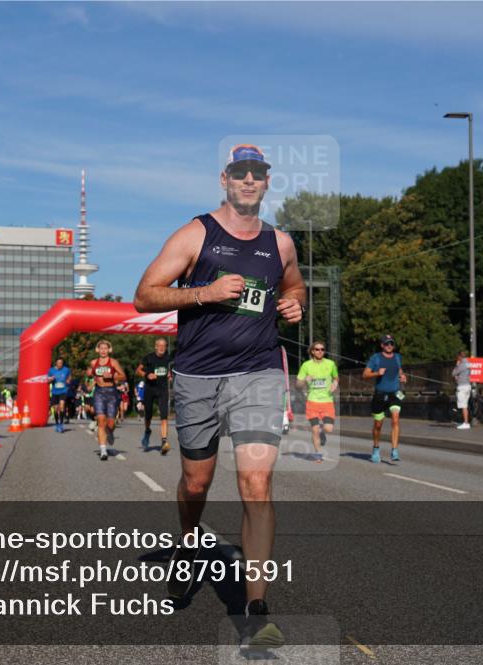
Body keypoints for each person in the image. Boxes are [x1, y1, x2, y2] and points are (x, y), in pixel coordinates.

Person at [133, 143, 305, 650]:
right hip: (197, 377)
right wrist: (203, 293)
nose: (249, 180)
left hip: (258, 373)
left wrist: (293, 306)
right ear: (224, 180)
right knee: (196, 481)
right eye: (240, 173)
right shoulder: (196, 233)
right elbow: (144, 295)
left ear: (267, 182)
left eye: (258, 173)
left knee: (256, 481)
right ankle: (188, 543)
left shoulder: (281, 243)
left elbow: (293, 288)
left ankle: (256, 607)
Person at [362, 334, 407, 463]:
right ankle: (376, 448)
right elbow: (364, 374)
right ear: (382, 345)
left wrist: (402, 376)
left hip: (395, 393)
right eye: (386, 344)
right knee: (378, 424)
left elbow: (399, 370)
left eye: (391, 343)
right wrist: (377, 373)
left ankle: (394, 450)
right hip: (380, 395)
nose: (389, 346)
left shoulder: (398, 357)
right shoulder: (376, 358)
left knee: (395, 419)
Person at [295, 341, 338, 463]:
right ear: (312, 351)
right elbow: (298, 385)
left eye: (322, 349)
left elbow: (335, 377)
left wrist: (335, 383)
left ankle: (322, 433)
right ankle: (318, 453)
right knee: (314, 429)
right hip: (312, 402)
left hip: (327, 401)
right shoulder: (306, 365)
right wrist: (304, 380)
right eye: (317, 349)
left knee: (328, 428)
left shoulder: (330, 364)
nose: (320, 351)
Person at [86, 340, 125, 460]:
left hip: (112, 393)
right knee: (101, 420)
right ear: (97, 350)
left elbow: (123, 376)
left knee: (110, 423)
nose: (103, 350)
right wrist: (89, 379)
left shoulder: (113, 362)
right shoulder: (93, 363)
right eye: (101, 348)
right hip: (99, 393)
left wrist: (113, 376)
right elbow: (89, 375)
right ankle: (103, 450)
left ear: (109, 350)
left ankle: (110, 432)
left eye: (105, 348)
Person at [136, 337, 173, 454]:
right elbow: (138, 371)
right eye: (159, 345)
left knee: (164, 416)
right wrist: (147, 375)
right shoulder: (149, 357)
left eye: (164, 346)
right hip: (150, 389)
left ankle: (164, 441)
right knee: (148, 415)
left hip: (162, 390)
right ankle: (147, 431)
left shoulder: (169, 358)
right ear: (155, 346)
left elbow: (171, 370)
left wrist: (170, 375)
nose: (162, 348)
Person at [47, 357, 71, 433]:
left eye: (61, 363)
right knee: (56, 409)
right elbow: (47, 381)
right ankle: (57, 423)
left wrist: (68, 380)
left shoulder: (66, 369)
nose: (60, 364)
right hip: (54, 392)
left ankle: (61, 424)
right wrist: (51, 379)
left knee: (62, 407)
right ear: (56, 363)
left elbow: (69, 377)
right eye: (58, 363)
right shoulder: (51, 370)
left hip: (63, 391)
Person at [453, 350, 472, 430]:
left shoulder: (461, 364)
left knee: (463, 405)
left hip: (462, 387)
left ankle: (466, 423)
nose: (457, 359)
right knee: (465, 404)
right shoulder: (468, 363)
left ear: (460, 356)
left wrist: (457, 365)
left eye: (458, 357)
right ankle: (465, 421)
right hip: (468, 385)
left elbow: (453, 373)